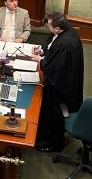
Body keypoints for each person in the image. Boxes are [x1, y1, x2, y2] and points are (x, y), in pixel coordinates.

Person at [30, 13, 84, 152]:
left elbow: (57, 67)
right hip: (58, 80)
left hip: (61, 87)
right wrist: (42, 50)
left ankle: (53, 144)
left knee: (54, 113)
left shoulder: (67, 43)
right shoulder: (64, 31)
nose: (48, 28)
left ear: (58, 28)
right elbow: (51, 43)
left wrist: (40, 60)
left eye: (49, 26)